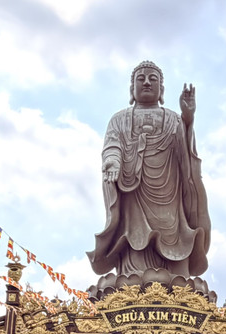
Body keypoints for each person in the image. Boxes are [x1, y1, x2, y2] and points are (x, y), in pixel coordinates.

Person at [87, 61, 211, 291]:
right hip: (133, 193)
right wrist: (112, 161)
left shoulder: (173, 119)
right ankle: (132, 283)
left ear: (161, 90)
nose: (146, 82)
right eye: (140, 79)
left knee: (175, 251)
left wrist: (187, 119)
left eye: (153, 79)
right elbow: (112, 145)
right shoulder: (119, 119)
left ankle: (177, 282)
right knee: (134, 244)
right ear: (131, 89)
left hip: (169, 197)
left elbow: (186, 155)